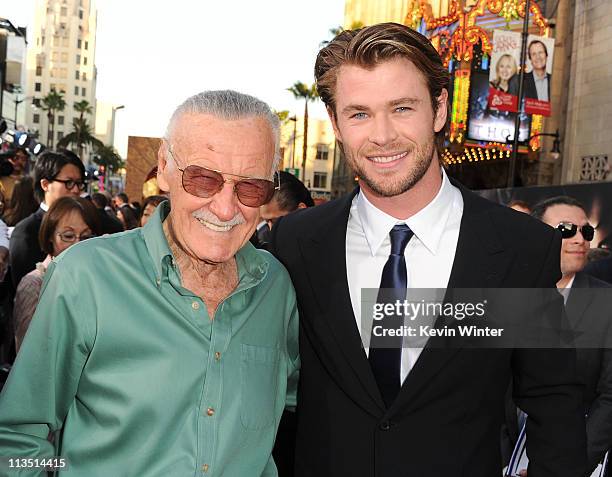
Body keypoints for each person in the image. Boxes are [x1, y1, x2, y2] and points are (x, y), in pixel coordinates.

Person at [271, 23, 586, 476]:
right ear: (336, 124)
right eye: (358, 113)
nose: (382, 135)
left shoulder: (519, 248)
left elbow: (553, 406)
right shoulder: (296, 243)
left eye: (401, 108)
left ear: (439, 109)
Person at [0, 90, 299, 476]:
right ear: (164, 169)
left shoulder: (275, 288)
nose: (226, 208)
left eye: (251, 187)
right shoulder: (87, 277)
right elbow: (18, 440)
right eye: (203, 179)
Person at [502, 196, 612, 476]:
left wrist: (566, 465)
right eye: (566, 229)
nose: (580, 239)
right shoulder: (504, 294)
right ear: (534, 234)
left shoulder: (606, 302)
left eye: (586, 232)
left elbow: (609, 397)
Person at [14, 196, 99, 352]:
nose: (77, 244)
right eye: (68, 236)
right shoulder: (34, 285)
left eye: (86, 237)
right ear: (50, 236)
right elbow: (28, 355)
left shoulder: (94, 282)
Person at [9, 150, 85, 287]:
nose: (75, 190)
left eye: (79, 183)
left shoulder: (88, 223)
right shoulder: (26, 231)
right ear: (45, 184)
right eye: (68, 183)